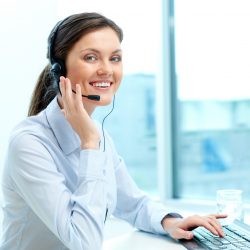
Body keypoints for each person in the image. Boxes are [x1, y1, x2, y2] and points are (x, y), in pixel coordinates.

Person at [0, 12, 226, 250]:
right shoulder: (29, 144)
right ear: (60, 70)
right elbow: (84, 243)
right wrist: (89, 143)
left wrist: (171, 222)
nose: (107, 69)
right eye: (91, 57)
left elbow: (133, 204)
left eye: (115, 58)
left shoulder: (98, 135)